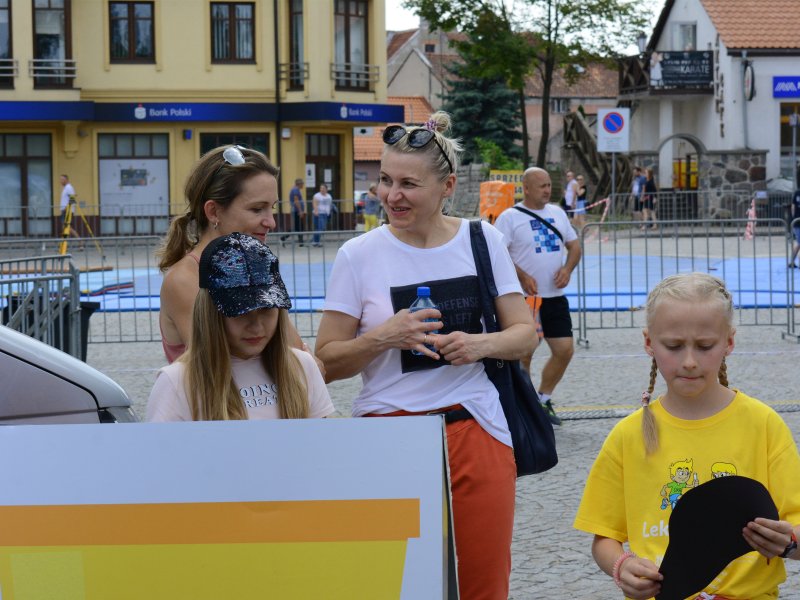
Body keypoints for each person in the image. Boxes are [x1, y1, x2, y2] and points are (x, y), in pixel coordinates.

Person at [315, 111, 537, 600]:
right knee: (393, 584)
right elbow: (324, 364)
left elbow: (525, 335)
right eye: (385, 180)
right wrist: (383, 337)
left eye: (408, 184)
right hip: (388, 433)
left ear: (446, 187)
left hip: (475, 427)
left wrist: (479, 345)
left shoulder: (483, 240)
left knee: (484, 583)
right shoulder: (358, 255)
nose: (391, 195)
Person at [573, 273, 800, 599]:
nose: (690, 361)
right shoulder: (627, 435)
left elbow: (796, 530)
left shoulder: (763, 425)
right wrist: (622, 566)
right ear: (649, 342)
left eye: (705, 346)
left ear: (729, 342)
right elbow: (604, 538)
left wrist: (789, 543)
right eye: (674, 346)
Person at [147, 233, 334, 422]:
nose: (256, 326)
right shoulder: (176, 383)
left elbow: (320, 438)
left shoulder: (302, 367)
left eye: (266, 309)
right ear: (211, 313)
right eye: (240, 312)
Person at [156, 145, 308, 364]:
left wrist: (301, 360)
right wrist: (300, 360)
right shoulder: (186, 279)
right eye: (257, 209)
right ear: (213, 211)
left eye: (272, 208)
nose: (271, 222)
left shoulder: (254, 267)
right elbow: (222, 368)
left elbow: (302, 362)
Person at [494, 167, 582, 427]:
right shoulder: (509, 217)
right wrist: (521, 276)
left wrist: (567, 269)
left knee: (564, 350)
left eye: (549, 185)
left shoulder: (557, 213)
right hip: (523, 299)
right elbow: (497, 254)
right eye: (542, 186)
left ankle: (544, 398)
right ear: (526, 188)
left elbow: (574, 246)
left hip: (554, 296)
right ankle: (524, 407)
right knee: (524, 354)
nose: (547, 190)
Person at [58, 174, 80, 241]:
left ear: (66, 180)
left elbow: (72, 199)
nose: (61, 181)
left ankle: (80, 240)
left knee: (67, 227)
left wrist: (66, 208)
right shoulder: (66, 188)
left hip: (67, 210)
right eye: (60, 179)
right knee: (65, 227)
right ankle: (64, 243)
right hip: (65, 210)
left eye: (62, 179)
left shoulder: (69, 188)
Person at [289, 177, 306, 245]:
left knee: (297, 227)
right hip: (296, 211)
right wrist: (300, 211)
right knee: (299, 227)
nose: (303, 185)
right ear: (299, 184)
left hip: (296, 211)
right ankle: (301, 242)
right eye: (302, 184)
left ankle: (301, 242)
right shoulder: (295, 190)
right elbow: (296, 201)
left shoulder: (295, 189)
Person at [789, 186, 800, 268]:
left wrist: (793, 218)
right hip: (797, 222)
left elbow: (792, 207)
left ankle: (792, 261)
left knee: (799, 243)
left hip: (796, 221)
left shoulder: (796, 193)